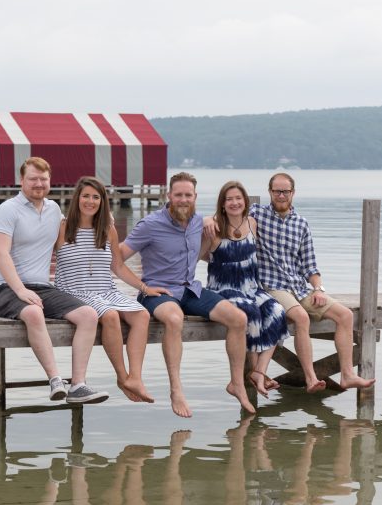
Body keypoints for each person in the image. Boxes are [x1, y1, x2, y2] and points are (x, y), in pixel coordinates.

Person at [205, 173, 376, 392]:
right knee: (301, 318)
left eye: (285, 191)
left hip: (300, 287)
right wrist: (209, 220)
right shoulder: (257, 214)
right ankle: (311, 378)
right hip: (272, 286)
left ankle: (347, 375)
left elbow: (310, 266)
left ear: (293, 193)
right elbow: (228, 211)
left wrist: (318, 288)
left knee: (346, 315)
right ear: (270, 193)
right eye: (276, 191)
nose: (281, 195)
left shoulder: (301, 224)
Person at [119, 172, 255, 419]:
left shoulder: (199, 222)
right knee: (174, 318)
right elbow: (116, 259)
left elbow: (230, 219)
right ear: (169, 195)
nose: (183, 200)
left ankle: (237, 383)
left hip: (191, 289)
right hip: (157, 292)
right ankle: (177, 390)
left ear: (195, 197)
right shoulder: (150, 224)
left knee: (239, 318)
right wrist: (142, 287)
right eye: (178, 195)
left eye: (188, 195)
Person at [0, 157, 108, 405]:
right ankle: (55, 380)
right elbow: (0, 253)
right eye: (33, 178)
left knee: (88, 315)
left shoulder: (54, 210)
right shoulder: (8, 209)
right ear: (21, 180)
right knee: (34, 313)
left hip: (42, 287)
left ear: (50, 181)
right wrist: (20, 289)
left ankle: (78, 385)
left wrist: (104, 228)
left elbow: (74, 233)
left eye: (43, 179)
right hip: (7, 288)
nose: (38, 184)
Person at [53, 176, 168, 403]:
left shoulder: (107, 229)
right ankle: (122, 376)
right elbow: (36, 250)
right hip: (74, 292)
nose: (90, 201)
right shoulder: (62, 227)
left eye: (96, 197)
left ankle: (135, 377)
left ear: (102, 201)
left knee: (142, 315)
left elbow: (117, 265)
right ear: (77, 198)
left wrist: (145, 288)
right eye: (85, 196)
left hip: (105, 289)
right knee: (111, 316)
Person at [200, 180, 289, 399]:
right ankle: (249, 373)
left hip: (251, 286)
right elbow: (199, 255)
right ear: (222, 204)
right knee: (250, 313)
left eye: (238, 198)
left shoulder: (252, 223)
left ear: (245, 201)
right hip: (224, 287)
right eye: (229, 199)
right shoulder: (214, 227)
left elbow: (276, 207)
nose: (234, 203)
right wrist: (205, 221)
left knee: (277, 311)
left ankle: (259, 372)